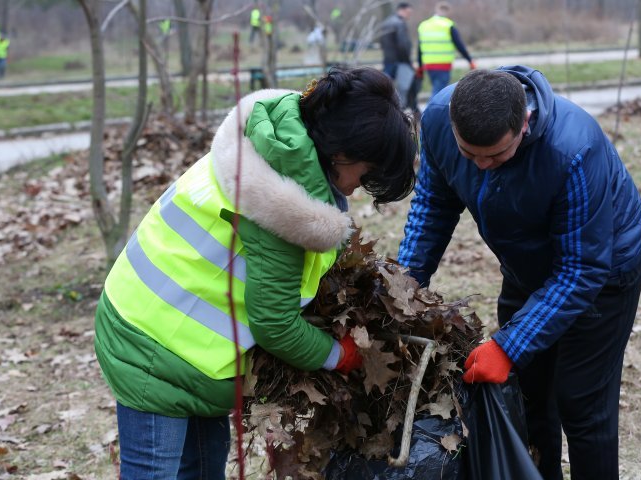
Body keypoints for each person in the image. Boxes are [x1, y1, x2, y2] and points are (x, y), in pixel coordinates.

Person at [94, 66, 417, 479]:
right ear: (340, 154)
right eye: (366, 172)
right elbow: (275, 324)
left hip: (171, 334)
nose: (360, 186)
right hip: (153, 348)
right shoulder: (282, 211)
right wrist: (339, 355)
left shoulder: (275, 142)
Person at [398, 66, 641, 480]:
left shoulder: (573, 150)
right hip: (524, 261)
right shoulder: (439, 119)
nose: (482, 166)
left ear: (525, 123)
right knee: (528, 394)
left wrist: (509, 346)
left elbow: (581, 268)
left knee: (582, 404)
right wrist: (405, 286)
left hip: (603, 271)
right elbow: (433, 204)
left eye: (495, 156)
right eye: (469, 154)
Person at [417, 1, 476, 99]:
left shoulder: (424, 25)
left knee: (436, 89)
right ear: (447, 12)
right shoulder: (448, 25)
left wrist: (420, 67)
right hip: (443, 65)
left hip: (429, 65)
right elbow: (459, 45)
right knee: (439, 93)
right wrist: (470, 60)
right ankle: (429, 113)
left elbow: (419, 48)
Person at [378, 2, 414, 111]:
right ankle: (399, 113)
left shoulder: (386, 22)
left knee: (385, 88)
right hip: (400, 61)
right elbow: (403, 45)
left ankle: (385, 110)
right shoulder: (400, 23)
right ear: (402, 10)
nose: (409, 15)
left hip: (388, 59)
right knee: (402, 90)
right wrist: (408, 61)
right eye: (408, 12)